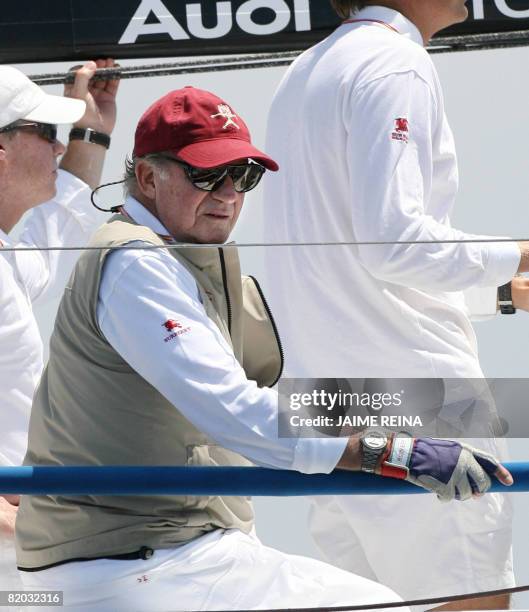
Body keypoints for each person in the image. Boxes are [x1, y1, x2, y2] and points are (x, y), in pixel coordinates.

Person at [15, 86, 512, 612]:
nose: (228, 193)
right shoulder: (139, 265)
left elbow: (323, 316)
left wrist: (497, 296)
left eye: (244, 175)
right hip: (137, 565)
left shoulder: (187, 261)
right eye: (206, 174)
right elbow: (239, 412)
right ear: (146, 177)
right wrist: (392, 452)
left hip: (169, 555)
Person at [262, 1, 529, 610]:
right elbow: (395, 244)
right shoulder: (395, 61)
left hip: (324, 406)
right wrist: (522, 254)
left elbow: (341, 256)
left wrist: (499, 289)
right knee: (473, 600)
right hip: (420, 400)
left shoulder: (305, 68)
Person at [0, 59, 119, 600]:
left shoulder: (6, 258)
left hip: (29, 543)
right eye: (46, 132)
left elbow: (60, 227)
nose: (58, 146)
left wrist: (92, 131)